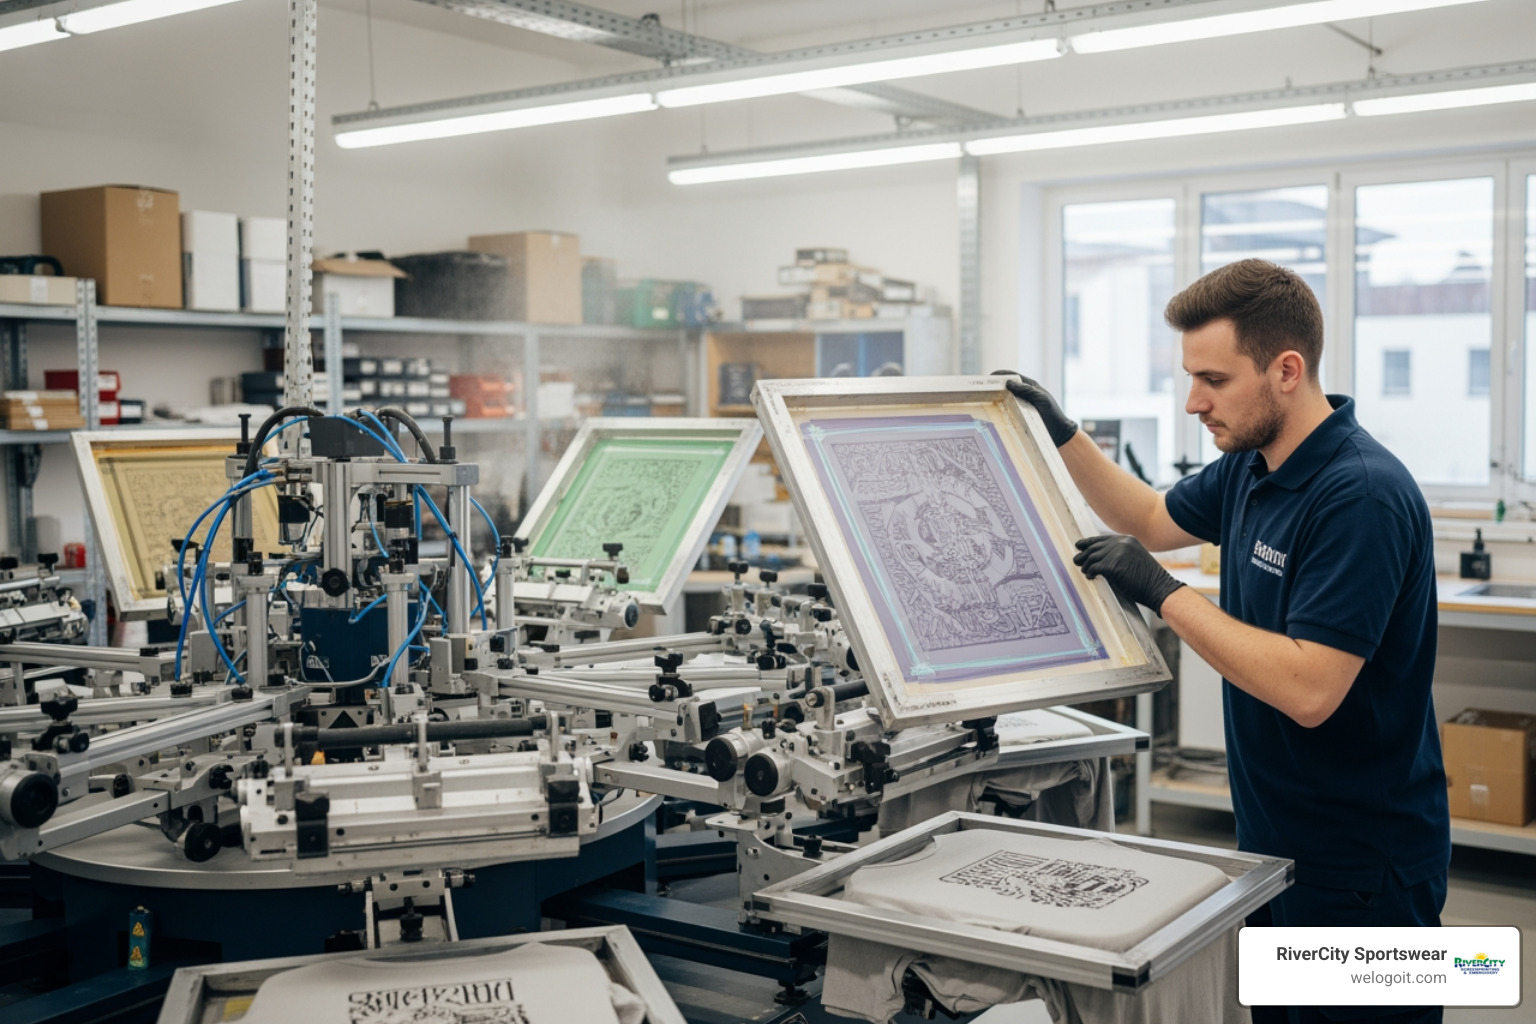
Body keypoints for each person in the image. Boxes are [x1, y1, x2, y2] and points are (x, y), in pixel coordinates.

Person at [1003, 258, 1449, 1024]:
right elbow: (1148, 517)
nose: (1192, 402)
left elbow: (1311, 689)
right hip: (1272, 845)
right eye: (1189, 377)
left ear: (1286, 369)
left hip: (1362, 868)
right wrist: (1062, 433)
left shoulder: (1359, 494)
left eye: (1213, 379)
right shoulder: (1253, 465)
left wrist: (1165, 594)